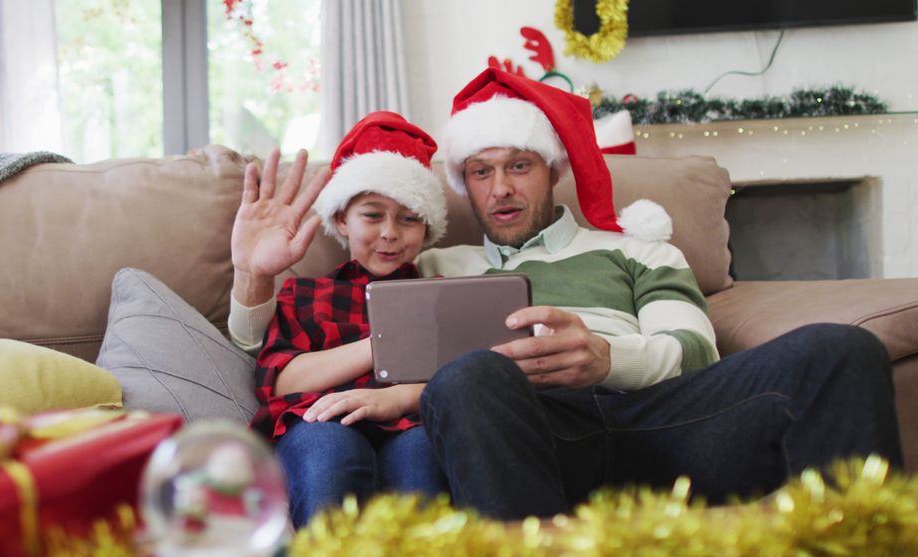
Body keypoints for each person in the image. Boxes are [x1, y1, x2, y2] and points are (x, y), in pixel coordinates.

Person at [228, 68, 903, 521]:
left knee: (839, 349)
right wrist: (255, 275)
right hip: (531, 439)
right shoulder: (430, 261)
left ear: (552, 170)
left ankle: (860, 546)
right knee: (470, 377)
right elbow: (285, 347)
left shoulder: (639, 247)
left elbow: (694, 349)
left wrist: (607, 358)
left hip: (663, 421)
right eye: (481, 172)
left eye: (518, 167)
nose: (500, 189)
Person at [243, 111, 450, 528]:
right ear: (341, 219)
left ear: (426, 230)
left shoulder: (442, 295)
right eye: (372, 215)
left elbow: (460, 377)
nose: (390, 232)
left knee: (420, 466)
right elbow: (279, 381)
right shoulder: (306, 294)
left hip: (413, 420)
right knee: (331, 459)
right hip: (321, 419)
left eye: (409, 218)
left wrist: (398, 396)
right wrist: (382, 343)